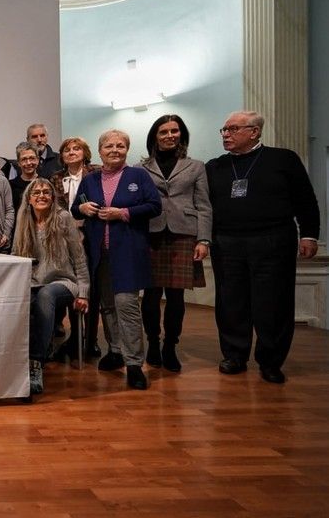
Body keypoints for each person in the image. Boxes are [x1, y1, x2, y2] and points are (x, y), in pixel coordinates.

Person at [206, 110, 319, 384]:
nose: (226, 135)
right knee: (231, 302)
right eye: (224, 130)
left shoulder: (283, 159)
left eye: (233, 129)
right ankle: (235, 355)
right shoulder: (215, 166)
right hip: (227, 243)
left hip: (273, 241)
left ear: (254, 132)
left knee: (273, 303)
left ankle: (271, 361)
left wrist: (309, 235)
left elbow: (305, 199)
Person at [72, 129, 161, 390]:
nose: (114, 150)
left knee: (127, 305)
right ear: (100, 151)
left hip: (128, 252)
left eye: (120, 146)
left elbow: (155, 206)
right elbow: (75, 207)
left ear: (127, 149)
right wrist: (82, 208)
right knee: (107, 305)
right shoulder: (90, 180)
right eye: (109, 146)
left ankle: (134, 364)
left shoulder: (138, 176)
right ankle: (115, 350)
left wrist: (122, 213)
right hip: (99, 253)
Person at [138, 115, 212, 373]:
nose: (169, 135)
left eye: (174, 131)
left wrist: (203, 239)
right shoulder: (141, 168)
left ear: (181, 135)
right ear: (154, 137)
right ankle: (153, 343)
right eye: (163, 132)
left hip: (183, 234)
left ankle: (170, 345)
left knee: (176, 295)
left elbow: (204, 205)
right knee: (150, 294)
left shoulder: (196, 166)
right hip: (151, 233)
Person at [12, 178, 90, 394]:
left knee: (46, 294)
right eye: (36, 193)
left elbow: (79, 257)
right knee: (21, 301)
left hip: (63, 282)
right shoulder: (23, 219)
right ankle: (18, 361)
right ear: (28, 199)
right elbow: (16, 255)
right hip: (32, 283)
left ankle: (36, 362)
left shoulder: (63, 218)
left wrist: (84, 292)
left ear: (53, 197)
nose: (42, 196)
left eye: (46, 192)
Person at [51, 136, 102, 360]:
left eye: (76, 148)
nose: (71, 152)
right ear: (62, 156)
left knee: (91, 289)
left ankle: (91, 340)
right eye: (67, 150)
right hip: (65, 237)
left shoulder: (96, 173)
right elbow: (55, 208)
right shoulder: (56, 178)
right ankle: (75, 337)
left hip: (92, 235)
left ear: (85, 152)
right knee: (74, 286)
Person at [9, 142, 40, 213]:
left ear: (37, 160)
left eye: (32, 158)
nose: (28, 163)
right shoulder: (11, 186)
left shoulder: (45, 183)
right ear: (18, 163)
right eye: (24, 159)